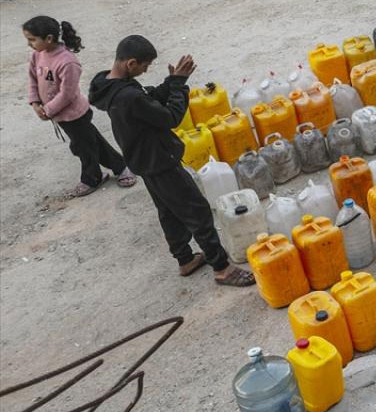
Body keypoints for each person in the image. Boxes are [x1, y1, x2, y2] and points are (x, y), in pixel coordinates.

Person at [88, 36, 255, 287]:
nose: (146, 70)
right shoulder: (128, 96)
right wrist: (179, 88)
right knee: (196, 210)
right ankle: (222, 268)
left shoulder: (107, 85)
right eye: (145, 66)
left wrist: (172, 81)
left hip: (144, 160)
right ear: (131, 63)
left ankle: (185, 259)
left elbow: (149, 97)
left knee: (168, 211)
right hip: (160, 160)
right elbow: (170, 117)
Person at [24, 16, 136, 198]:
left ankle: (93, 178)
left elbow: (67, 94)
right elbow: (33, 80)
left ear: (49, 39)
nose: (29, 44)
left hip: (75, 115)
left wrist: (48, 110)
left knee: (83, 147)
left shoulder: (68, 62)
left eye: (32, 39)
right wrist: (35, 102)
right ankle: (121, 167)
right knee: (91, 142)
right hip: (59, 116)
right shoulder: (37, 55)